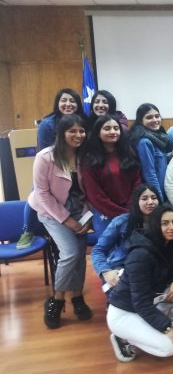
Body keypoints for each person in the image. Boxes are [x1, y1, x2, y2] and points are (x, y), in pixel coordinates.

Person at [106, 204, 173, 362]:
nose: (171, 227)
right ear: (155, 224)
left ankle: (161, 327)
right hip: (124, 313)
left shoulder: (168, 243)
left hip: (149, 302)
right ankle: (122, 337)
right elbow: (140, 302)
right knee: (171, 346)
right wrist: (166, 327)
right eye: (165, 223)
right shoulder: (140, 255)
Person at [28, 114, 92, 329]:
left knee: (80, 257)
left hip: (79, 211)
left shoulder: (85, 156)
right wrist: (67, 220)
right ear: (61, 133)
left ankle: (77, 297)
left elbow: (88, 191)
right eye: (72, 131)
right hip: (51, 212)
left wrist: (86, 217)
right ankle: (56, 301)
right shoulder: (45, 157)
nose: (78, 135)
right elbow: (42, 194)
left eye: (81, 131)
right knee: (71, 253)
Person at [18, 88, 85, 250]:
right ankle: (27, 230)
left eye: (72, 101)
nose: (68, 104)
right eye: (64, 100)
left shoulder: (83, 120)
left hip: (74, 165)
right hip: (53, 166)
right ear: (57, 103)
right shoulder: (48, 123)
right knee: (37, 192)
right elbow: (45, 150)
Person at [81, 114, 141, 240]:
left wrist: (130, 208)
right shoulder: (89, 159)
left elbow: (137, 181)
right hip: (104, 214)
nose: (113, 132)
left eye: (116, 128)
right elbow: (95, 195)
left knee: (130, 251)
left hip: (130, 211)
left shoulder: (128, 152)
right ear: (98, 133)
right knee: (110, 254)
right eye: (107, 128)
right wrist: (120, 212)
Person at [91, 184, 160, 291]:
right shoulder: (122, 221)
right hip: (122, 269)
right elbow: (97, 250)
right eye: (145, 198)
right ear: (136, 202)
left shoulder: (164, 223)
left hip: (153, 271)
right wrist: (105, 271)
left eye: (154, 198)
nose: (150, 202)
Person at [130, 103, 172, 201]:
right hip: (156, 193)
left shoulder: (157, 137)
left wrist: (170, 155)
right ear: (140, 121)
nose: (155, 120)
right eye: (149, 117)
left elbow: (158, 160)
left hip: (163, 191)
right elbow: (150, 174)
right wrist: (158, 199)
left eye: (157, 116)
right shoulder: (144, 142)